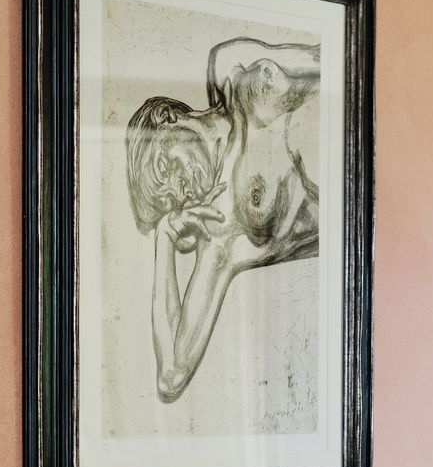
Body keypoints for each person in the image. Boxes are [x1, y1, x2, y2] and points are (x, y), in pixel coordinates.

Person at [125, 38, 321, 403]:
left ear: (168, 119)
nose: (179, 190)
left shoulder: (232, 70)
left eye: (166, 167)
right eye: (169, 198)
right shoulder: (221, 230)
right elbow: (170, 376)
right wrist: (165, 237)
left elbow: (331, 59)